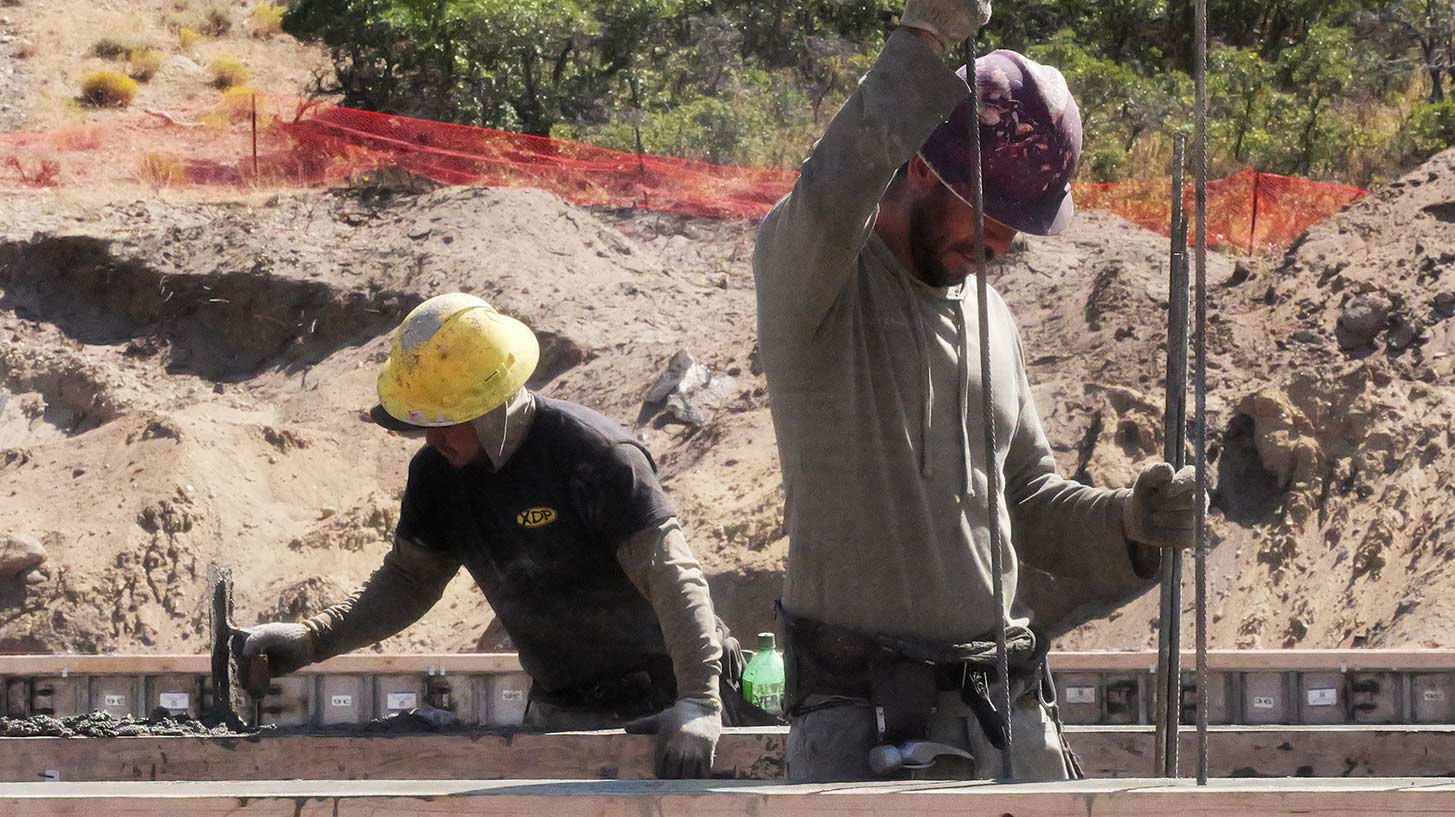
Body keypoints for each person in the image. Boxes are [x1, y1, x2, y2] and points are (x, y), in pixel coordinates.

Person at [752, 0, 1202, 782]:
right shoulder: (818, 281)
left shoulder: (988, 312)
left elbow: (1025, 501)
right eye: (992, 213)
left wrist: (1131, 523)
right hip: (860, 731)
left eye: (1021, 225)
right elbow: (834, 181)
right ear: (922, 164)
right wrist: (922, 39)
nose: (1001, 243)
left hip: (1001, 719)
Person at [242, 292, 725, 779]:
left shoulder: (595, 457)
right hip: (563, 710)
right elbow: (408, 581)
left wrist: (700, 702)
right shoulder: (437, 474)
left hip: (665, 709)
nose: (432, 438)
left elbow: (672, 574)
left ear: (491, 407)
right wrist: (311, 640)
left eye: (445, 422)